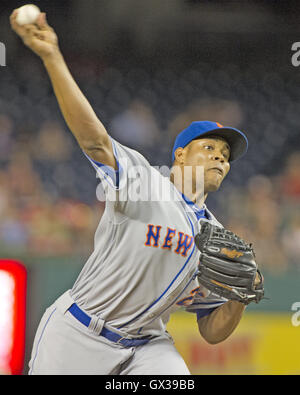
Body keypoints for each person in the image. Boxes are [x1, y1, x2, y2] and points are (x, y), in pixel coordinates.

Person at [11, 11, 261, 375]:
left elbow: (211, 329)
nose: (220, 159)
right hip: (79, 333)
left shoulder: (220, 239)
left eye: (225, 157)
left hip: (147, 346)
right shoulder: (145, 182)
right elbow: (95, 141)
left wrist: (238, 299)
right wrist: (52, 57)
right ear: (180, 154)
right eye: (209, 148)